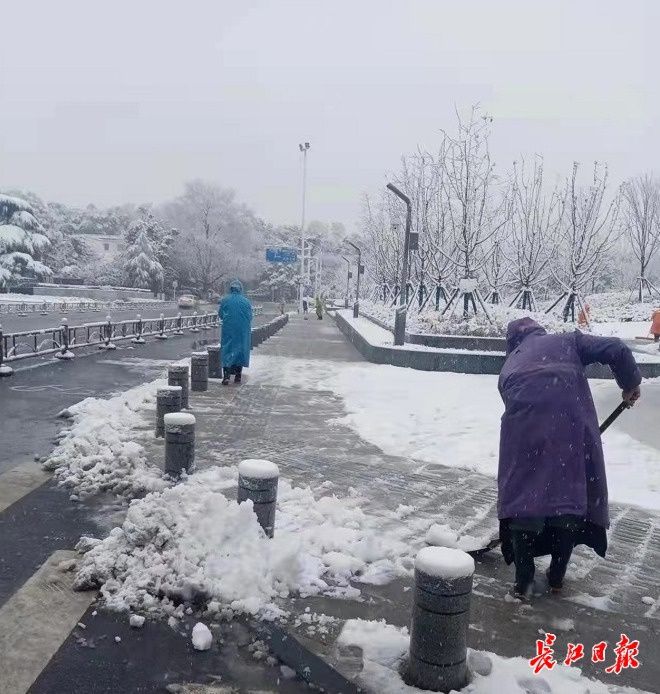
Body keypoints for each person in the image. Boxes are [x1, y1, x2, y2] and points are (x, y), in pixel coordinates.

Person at [498, 318, 641, 599]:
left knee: (523, 502)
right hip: (570, 430)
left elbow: (512, 396)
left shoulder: (510, 362)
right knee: (567, 501)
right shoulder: (568, 341)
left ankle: (524, 583)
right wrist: (630, 383)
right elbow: (616, 348)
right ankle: (557, 577)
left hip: (524, 435)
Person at [218, 280, 253, 385]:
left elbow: (220, 314)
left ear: (231, 288)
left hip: (228, 328)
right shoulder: (246, 301)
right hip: (242, 329)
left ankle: (226, 375)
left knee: (227, 349)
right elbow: (250, 316)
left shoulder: (225, 300)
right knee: (240, 350)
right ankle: (238, 375)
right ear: (240, 289)